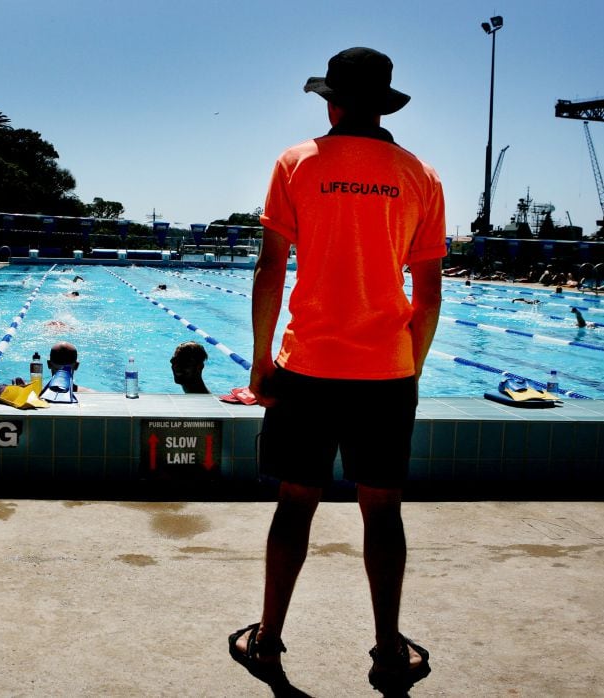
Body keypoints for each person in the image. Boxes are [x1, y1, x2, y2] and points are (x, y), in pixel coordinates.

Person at [231, 47, 445, 695]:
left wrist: (262, 359)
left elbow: (270, 268)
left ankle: (267, 641)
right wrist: (410, 368)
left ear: (331, 101)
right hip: (386, 372)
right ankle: (386, 650)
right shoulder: (420, 176)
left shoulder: (296, 164)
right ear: (382, 104)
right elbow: (429, 293)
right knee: (382, 510)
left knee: (296, 503)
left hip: (308, 368)